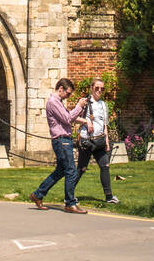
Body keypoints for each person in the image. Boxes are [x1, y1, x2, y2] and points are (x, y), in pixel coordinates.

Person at [30, 79, 88, 214]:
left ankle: (38, 194)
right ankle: (70, 203)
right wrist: (78, 106)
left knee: (61, 171)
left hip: (63, 140)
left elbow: (67, 117)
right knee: (71, 171)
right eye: (68, 94)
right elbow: (67, 119)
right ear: (60, 88)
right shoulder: (53, 102)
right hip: (62, 140)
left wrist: (82, 116)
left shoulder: (58, 102)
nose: (68, 97)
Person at [75, 77, 119, 205]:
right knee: (81, 169)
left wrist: (106, 141)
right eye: (97, 88)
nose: (99, 91)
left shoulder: (103, 104)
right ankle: (69, 194)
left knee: (105, 166)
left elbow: (104, 124)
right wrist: (87, 121)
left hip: (99, 141)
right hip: (87, 140)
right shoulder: (84, 102)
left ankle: (109, 196)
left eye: (102, 88)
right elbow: (73, 117)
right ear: (91, 88)